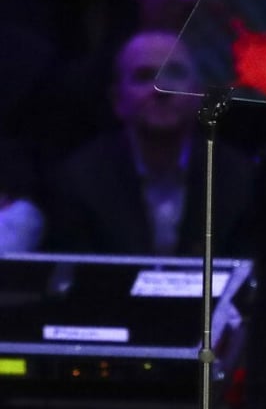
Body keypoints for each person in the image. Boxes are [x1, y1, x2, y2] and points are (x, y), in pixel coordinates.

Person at [43, 30, 254, 257]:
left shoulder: (240, 180)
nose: (161, 90)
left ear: (200, 94)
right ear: (117, 100)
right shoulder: (78, 181)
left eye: (175, 73)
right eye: (144, 77)